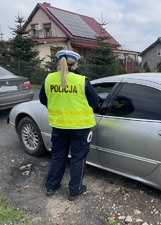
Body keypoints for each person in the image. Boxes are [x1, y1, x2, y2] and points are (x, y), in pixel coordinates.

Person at [39, 50, 101, 201]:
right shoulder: (81, 81)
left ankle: (51, 186)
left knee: (58, 156)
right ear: (75, 64)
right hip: (80, 128)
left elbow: (42, 99)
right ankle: (74, 191)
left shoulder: (49, 79)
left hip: (58, 127)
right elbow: (95, 102)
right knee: (77, 159)